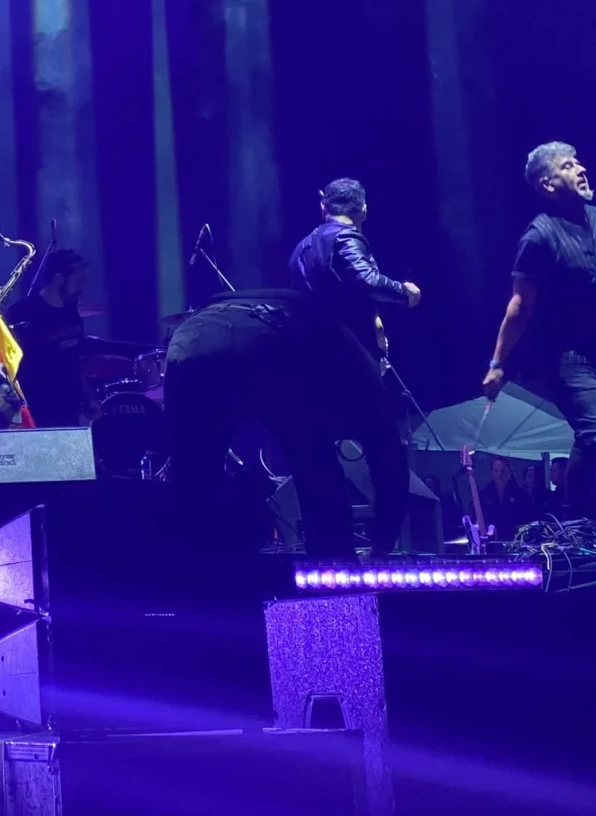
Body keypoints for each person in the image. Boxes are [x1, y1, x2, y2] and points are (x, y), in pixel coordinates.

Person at [481, 142, 596, 526]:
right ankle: (575, 522)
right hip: (568, 357)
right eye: (567, 166)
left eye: (578, 162)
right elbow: (520, 306)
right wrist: (497, 364)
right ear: (547, 184)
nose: (580, 169)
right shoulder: (539, 236)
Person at [165, 292, 382, 558]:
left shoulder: (339, 346)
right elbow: (388, 458)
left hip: (193, 339)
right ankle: (335, 565)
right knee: (315, 468)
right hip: (272, 344)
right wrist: (383, 544)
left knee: (194, 477)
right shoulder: (360, 369)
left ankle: (196, 567)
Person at [290, 178, 423, 553]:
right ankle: (381, 549)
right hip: (349, 366)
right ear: (363, 210)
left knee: (317, 462)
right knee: (389, 460)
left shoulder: (301, 248)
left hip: (310, 369)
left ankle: (331, 550)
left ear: (323, 207)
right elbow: (366, 280)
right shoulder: (345, 237)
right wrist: (405, 292)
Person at [5, 249, 91, 428]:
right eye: (78, 281)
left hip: (68, 410)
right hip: (35, 410)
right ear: (59, 279)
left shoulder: (72, 313)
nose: (82, 287)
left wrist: (88, 398)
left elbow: (77, 361)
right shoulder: (22, 312)